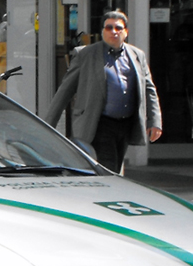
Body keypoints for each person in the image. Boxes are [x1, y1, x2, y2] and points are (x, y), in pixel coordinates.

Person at [44, 10, 162, 173]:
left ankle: (104, 194)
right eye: (109, 28)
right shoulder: (85, 54)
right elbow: (65, 91)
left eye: (118, 28)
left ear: (126, 32)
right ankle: (111, 194)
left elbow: (149, 88)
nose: (114, 32)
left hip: (126, 123)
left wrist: (155, 121)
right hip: (99, 122)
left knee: (116, 165)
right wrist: (48, 124)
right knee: (109, 166)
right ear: (102, 31)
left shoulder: (137, 55)